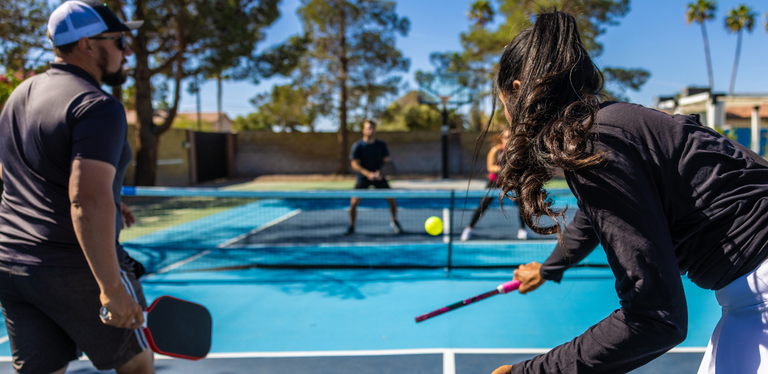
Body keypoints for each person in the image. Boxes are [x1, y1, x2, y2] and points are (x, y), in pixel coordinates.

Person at [488, 10, 768, 374]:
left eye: (503, 105)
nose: (507, 117)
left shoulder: (596, 140)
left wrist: (530, 372)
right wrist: (548, 268)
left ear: (516, 91)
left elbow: (655, 316)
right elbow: (592, 217)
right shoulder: (613, 124)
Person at [0, 1, 153, 373]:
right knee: (137, 366)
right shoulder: (97, 105)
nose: (127, 50)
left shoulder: (21, 95)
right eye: (118, 41)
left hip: (13, 265)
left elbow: (15, 174)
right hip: (72, 266)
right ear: (87, 44)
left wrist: (112, 202)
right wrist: (112, 288)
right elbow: (86, 200)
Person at [461, 128, 528, 241]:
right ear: (502, 139)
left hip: (511, 182)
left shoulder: (517, 151)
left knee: (522, 205)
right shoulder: (496, 150)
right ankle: (468, 229)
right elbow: (490, 167)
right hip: (495, 182)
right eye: (506, 137)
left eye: (511, 136)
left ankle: (522, 230)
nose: (509, 139)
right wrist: (503, 169)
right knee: (483, 205)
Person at [346, 119, 402, 235]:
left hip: (379, 178)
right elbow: (354, 164)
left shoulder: (381, 145)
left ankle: (394, 221)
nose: (370, 130)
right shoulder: (358, 146)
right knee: (353, 204)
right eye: (368, 128)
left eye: (372, 128)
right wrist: (368, 174)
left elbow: (387, 162)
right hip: (363, 178)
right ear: (363, 130)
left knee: (392, 200)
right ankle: (351, 226)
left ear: (375, 130)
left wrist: (380, 173)